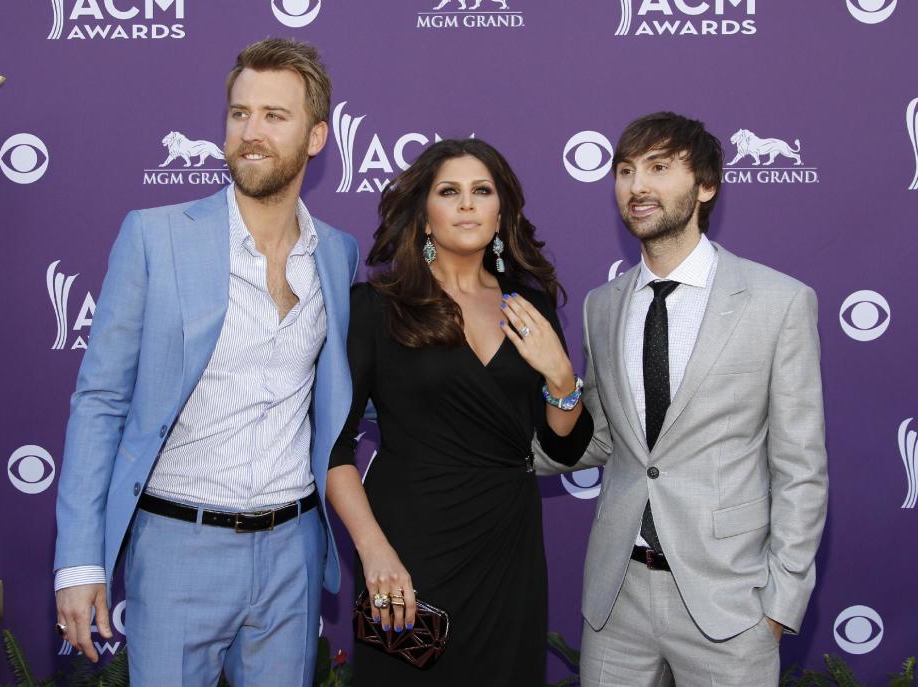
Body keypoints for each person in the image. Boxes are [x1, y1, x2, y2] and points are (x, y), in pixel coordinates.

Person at [52, 38, 359, 686]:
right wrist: (79, 561)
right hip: (177, 548)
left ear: (316, 136)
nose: (251, 133)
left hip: (293, 551)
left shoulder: (337, 254)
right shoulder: (154, 236)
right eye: (239, 113)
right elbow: (101, 400)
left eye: (275, 116)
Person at [535, 112, 828, 686]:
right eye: (625, 171)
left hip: (730, 603)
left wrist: (778, 606)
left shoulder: (778, 301)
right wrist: (528, 415)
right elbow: (603, 438)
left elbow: (801, 468)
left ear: (707, 185)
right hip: (616, 598)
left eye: (659, 168)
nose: (637, 186)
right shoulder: (603, 305)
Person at [327, 138, 594, 685]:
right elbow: (334, 446)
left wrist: (561, 377)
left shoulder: (531, 305)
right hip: (407, 545)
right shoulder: (378, 308)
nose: (468, 204)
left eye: (482, 191)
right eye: (450, 192)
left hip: (508, 544)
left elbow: (564, 445)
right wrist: (374, 551)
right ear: (425, 216)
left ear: (501, 212)